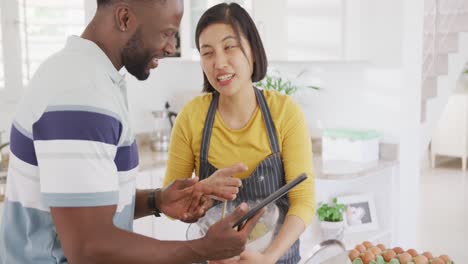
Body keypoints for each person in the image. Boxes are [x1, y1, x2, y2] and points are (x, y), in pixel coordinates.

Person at [0, 0, 264, 263]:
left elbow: (87, 207)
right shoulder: (82, 93)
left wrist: (156, 201)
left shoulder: (89, 77)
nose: (171, 48)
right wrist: (202, 249)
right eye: (166, 33)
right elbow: (89, 247)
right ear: (125, 18)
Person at [163, 3, 315, 264]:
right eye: (207, 52)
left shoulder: (285, 113)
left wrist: (269, 257)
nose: (219, 62)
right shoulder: (191, 117)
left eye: (229, 46)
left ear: (253, 50)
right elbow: (168, 205)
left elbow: (303, 202)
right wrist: (199, 190)